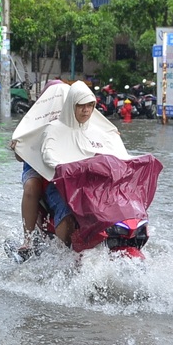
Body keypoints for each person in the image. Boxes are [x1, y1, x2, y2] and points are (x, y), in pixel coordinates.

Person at [40, 80, 129, 247]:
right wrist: (66, 168)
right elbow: (48, 154)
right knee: (67, 214)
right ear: (71, 105)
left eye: (90, 105)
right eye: (81, 106)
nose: (86, 110)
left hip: (94, 183)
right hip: (62, 184)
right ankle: (65, 249)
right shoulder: (54, 129)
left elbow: (116, 154)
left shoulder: (98, 131)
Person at [9, 79, 68, 253]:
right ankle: (27, 238)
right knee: (31, 186)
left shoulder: (74, 115)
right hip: (36, 166)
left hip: (67, 166)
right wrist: (17, 146)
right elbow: (20, 156)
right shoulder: (33, 119)